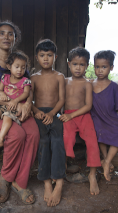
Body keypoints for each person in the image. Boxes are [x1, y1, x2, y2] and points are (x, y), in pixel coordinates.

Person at [0, 20, 39, 205]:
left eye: (10, 34)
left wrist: (27, 104)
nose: (6, 36)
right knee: (17, 135)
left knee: (34, 134)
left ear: (15, 39)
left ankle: (19, 182)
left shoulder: (19, 63)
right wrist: (12, 105)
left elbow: (28, 88)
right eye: (2, 33)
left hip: (19, 107)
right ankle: (5, 177)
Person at [58, 47, 101, 195]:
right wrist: (63, 115)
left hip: (83, 115)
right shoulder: (64, 81)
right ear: (69, 64)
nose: (78, 68)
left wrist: (72, 115)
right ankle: (61, 169)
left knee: (92, 141)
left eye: (82, 64)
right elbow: (59, 100)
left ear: (86, 66)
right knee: (65, 138)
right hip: (67, 116)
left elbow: (88, 105)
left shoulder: (87, 83)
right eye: (75, 64)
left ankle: (92, 174)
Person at [31, 39, 66, 207]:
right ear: (36, 57)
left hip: (55, 113)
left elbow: (62, 99)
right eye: (42, 55)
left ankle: (59, 182)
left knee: (58, 141)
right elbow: (29, 101)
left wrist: (52, 113)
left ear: (55, 57)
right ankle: (46, 182)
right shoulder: (33, 78)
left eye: (49, 55)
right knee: (43, 142)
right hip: (38, 114)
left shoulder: (60, 76)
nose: (46, 59)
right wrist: (37, 112)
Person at [0, 51, 31, 153]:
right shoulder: (5, 78)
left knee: (6, 117)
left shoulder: (25, 81)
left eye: (23, 67)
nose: (20, 70)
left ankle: (0, 138)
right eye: (17, 67)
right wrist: (2, 95)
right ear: (9, 66)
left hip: (15, 107)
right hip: (6, 105)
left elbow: (26, 93)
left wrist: (16, 101)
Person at [91, 50, 118, 181]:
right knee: (99, 132)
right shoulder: (90, 84)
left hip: (110, 117)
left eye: (104, 67)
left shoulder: (114, 87)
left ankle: (106, 161)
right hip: (96, 117)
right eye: (97, 67)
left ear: (111, 68)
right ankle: (106, 159)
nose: (100, 70)